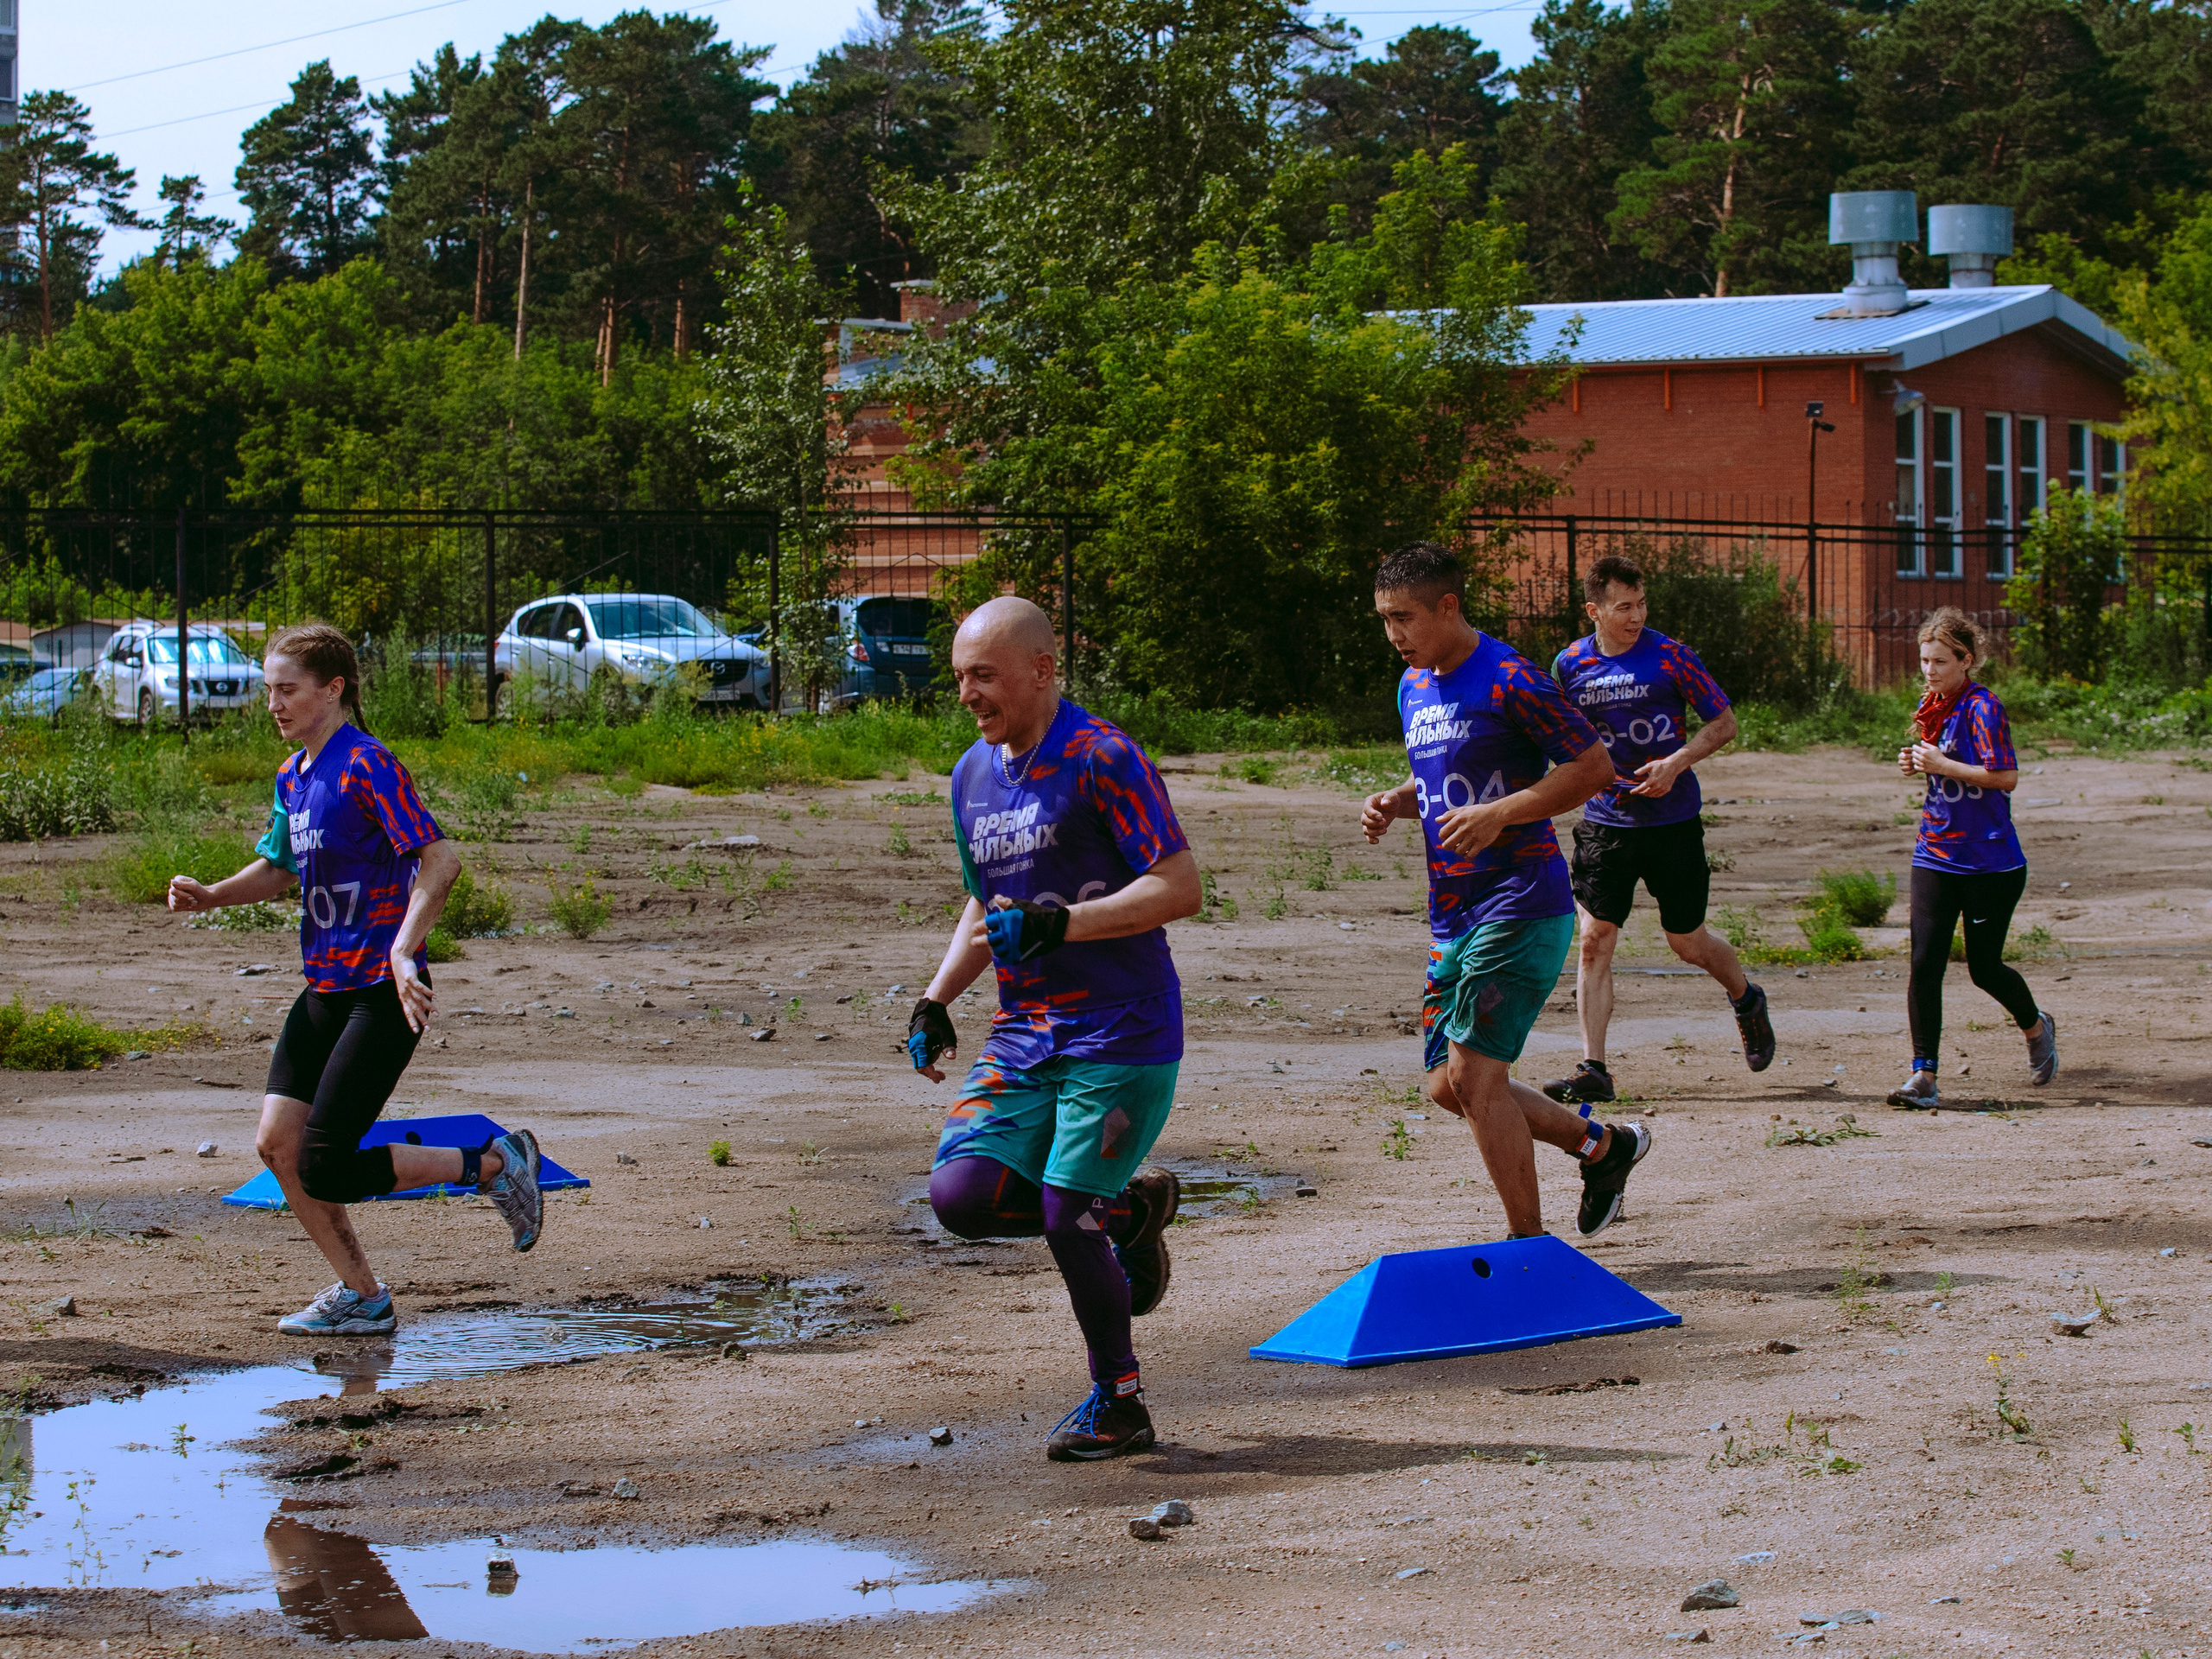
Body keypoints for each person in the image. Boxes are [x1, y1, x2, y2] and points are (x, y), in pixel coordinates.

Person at [167, 622, 544, 1337]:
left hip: (381, 991)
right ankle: (363, 1298)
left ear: (332, 689)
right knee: (278, 1148)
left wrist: (406, 949)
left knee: (327, 1165)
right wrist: (213, 894)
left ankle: (495, 1163)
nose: (273, 704)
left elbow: (439, 861)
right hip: (325, 990)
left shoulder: (366, 764)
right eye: (269, 690)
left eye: (287, 689)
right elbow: (281, 867)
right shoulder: (294, 777)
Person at [906, 595, 1198, 1462]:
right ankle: (1129, 1212)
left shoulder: (1104, 757)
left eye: (984, 676)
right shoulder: (970, 776)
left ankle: (1119, 1400)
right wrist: (937, 997)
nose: (969, 695)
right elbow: (981, 905)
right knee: (959, 1199)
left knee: (1068, 1212)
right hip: (1025, 1031)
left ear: (1042, 670)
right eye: (960, 678)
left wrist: (1061, 925)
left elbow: (1178, 886)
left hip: (1122, 1028)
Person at [1360, 542, 1653, 1240]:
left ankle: (1530, 1249)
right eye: (1384, 619)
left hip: (1521, 903)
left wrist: (1500, 815)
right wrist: (1396, 801)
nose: (1393, 633)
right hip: (1451, 914)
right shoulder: (1414, 687)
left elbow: (1591, 767)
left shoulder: (1509, 677)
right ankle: (1603, 1148)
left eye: (1403, 616)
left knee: (1477, 1079)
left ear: (1448, 606)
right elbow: (1444, 778)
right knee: (1445, 1085)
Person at [1544, 555, 1776, 1103]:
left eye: (1642, 603)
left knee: (1687, 941)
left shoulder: (1673, 656)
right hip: (1606, 824)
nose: (1636, 615)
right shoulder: (1569, 665)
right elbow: (1553, 734)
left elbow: (1724, 723)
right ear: (1593, 610)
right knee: (1595, 939)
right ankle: (1594, 1067)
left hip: (1672, 823)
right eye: (1624, 606)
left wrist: (1676, 763)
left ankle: (1746, 998)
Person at [1885, 608, 2057, 1109]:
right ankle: (1924, 1076)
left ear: (1968, 660)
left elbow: (2004, 777)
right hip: (1935, 853)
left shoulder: (1985, 708)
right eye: (1924, 661)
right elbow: (1944, 768)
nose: (1931, 671)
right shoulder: (1932, 705)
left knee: (1984, 968)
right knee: (1924, 964)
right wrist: (1917, 763)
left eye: (1941, 661)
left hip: (1991, 863)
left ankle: (2035, 1027)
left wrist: (1942, 764)